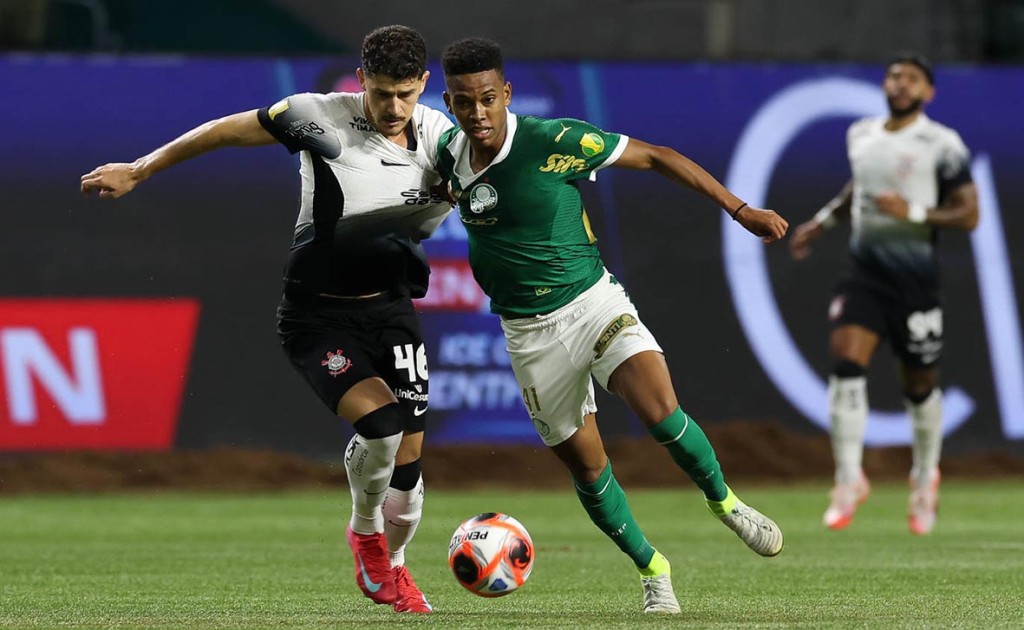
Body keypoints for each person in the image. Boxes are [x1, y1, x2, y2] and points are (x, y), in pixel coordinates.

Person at [80, 25, 454, 613]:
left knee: (407, 479)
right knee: (382, 427)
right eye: (381, 92)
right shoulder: (317, 117)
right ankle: (365, 536)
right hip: (317, 316)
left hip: (392, 311)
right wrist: (141, 168)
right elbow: (226, 130)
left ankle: (397, 565)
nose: (392, 107)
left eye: (405, 94)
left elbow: (496, 182)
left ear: (423, 85)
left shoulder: (443, 137)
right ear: (361, 80)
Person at [435, 37, 788, 614]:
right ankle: (653, 570)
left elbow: (657, 156)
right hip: (528, 335)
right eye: (465, 102)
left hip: (592, 304)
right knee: (589, 466)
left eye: (488, 98)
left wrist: (739, 208)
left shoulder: (553, 141)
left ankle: (725, 503)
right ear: (449, 102)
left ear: (507, 94)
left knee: (660, 413)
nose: (478, 113)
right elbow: (427, 189)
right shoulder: (446, 154)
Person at [788, 54, 978, 535]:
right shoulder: (861, 134)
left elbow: (969, 213)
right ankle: (848, 479)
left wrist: (912, 210)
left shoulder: (943, 143)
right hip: (864, 274)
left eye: (912, 78)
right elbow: (860, 187)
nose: (901, 84)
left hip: (915, 281)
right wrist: (823, 221)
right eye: (895, 76)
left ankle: (924, 477)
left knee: (919, 387)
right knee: (846, 366)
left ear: (929, 92)